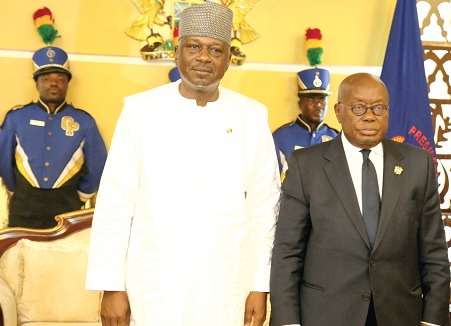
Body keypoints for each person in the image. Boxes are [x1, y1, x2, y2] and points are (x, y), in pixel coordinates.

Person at [85, 2, 280, 325]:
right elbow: (115, 204)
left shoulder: (252, 116)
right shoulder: (140, 111)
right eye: (194, 47)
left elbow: (264, 209)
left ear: (228, 60)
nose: (204, 57)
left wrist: (259, 286)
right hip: (153, 286)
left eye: (215, 50)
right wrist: (111, 286)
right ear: (177, 52)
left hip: (225, 285)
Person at [269, 73, 450, 326]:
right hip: (326, 314)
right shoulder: (306, 165)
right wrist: (287, 322)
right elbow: (288, 251)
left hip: (398, 314)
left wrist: (433, 320)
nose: (369, 116)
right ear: (339, 112)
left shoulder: (417, 164)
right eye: (358, 107)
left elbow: (434, 251)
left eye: (378, 108)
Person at [0, 46, 107, 229]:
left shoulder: (84, 121)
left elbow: (98, 163)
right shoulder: (16, 118)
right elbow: (3, 159)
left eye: (60, 79)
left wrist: (83, 194)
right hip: (24, 204)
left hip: (67, 205)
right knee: (20, 254)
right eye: (47, 79)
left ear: (67, 83)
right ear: (36, 83)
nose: (54, 83)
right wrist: (13, 188)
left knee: (61, 255)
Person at [272, 67, 338, 179]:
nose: (318, 105)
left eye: (322, 100)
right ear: (300, 104)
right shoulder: (281, 137)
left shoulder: (336, 138)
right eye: (311, 100)